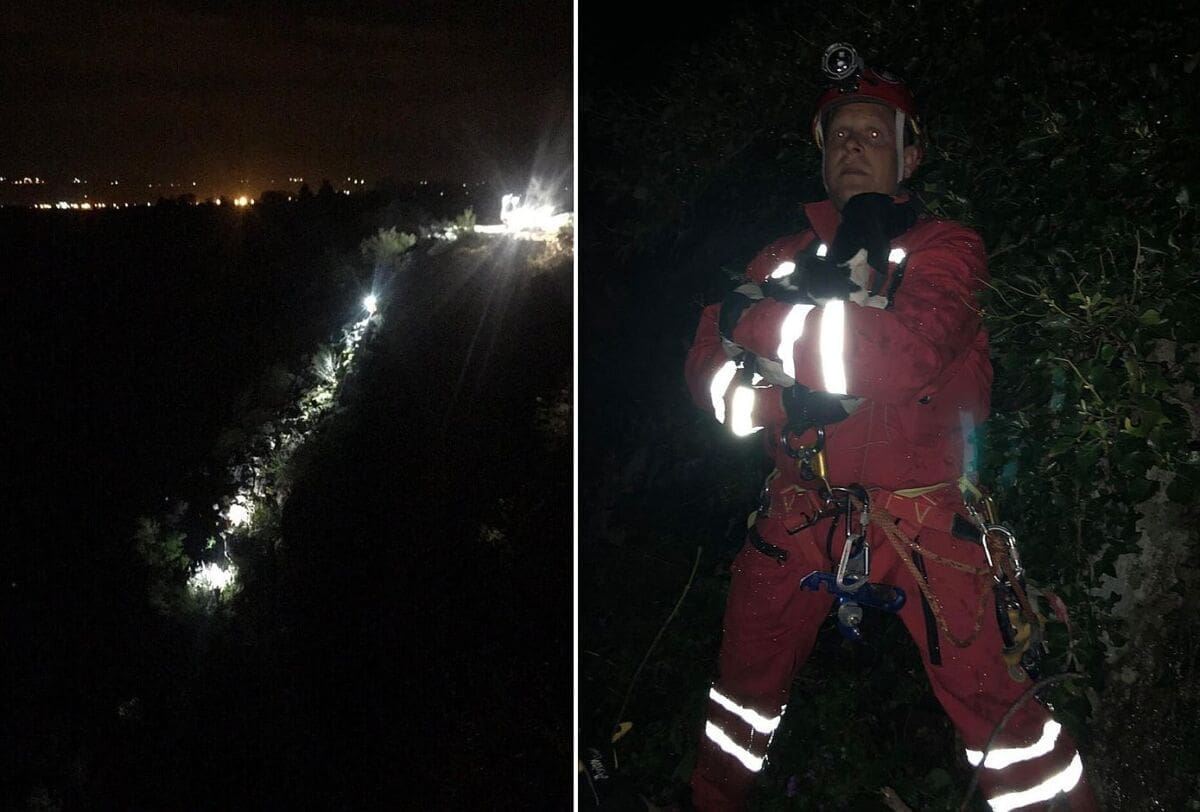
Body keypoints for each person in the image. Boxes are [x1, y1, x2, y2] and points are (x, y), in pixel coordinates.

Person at [683, 44, 1098, 811]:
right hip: (797, 507)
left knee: (1001, 718)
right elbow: (709, 367)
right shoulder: (780, 253)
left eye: (875, 134)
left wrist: (764, 322)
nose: (852, 146)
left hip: (928, 514)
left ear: (910, 156)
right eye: (839, 134)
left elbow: (901, 358)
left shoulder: (947, 250)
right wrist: (782, 405)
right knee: (739, 700)